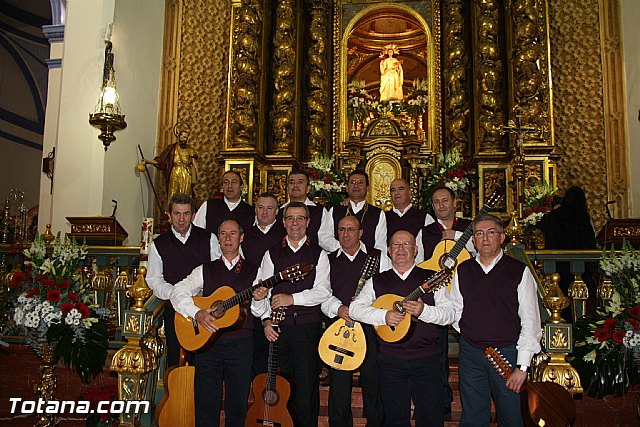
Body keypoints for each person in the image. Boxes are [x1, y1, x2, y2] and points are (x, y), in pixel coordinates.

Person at [350, 230, 455, 427]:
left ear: (415, 250)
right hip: (391, 362)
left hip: (427, 360)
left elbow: (450, 314)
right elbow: (355, 309)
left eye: (406, 244)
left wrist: (424, 311)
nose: (401, 249)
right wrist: (384, 316)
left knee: (431, 418)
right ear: (389, 251)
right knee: (394, 418)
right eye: (396, 245)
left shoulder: (432, 278)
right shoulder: (377, 281)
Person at [170, 219, 267, 427]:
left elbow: (260, 312)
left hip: (241, 344)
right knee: (205, 401)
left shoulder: (255, 271)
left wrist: (259, 299)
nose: (228, 238)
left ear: (241, 238)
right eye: (223, 234)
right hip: (207, 344)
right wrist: (196, 313)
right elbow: (178, 291)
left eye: (233, 233)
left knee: (238, 402)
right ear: (218, 238)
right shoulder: (205, 269)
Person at [449, 214, 542, 427]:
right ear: (473, 240)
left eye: (491, 233)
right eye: (479, 234)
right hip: (471, 354)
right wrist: (473, 330)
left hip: (508, 354)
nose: (485, 239)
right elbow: (456, 312)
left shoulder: (519, 271)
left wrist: (523, 367)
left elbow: (530, 320)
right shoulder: (463, 270)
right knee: (472, 417)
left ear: (502, 237)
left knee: (511, 417)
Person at [251, 201, 332, 427]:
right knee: (282, 385)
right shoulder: (272, 254)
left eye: (300, 218)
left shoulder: (319, 254)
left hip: (307, 329)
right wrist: (265, 320)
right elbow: (262, 291)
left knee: (306, 386)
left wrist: (292, 299)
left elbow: (323, 291)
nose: (295, 223)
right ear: (283, 222)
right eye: (290, 218)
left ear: (307, 222)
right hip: (279, 330)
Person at [415, 185, 476, 415]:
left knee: (470, 347)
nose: (441, 205)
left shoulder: (469, 227)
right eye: (436, 202)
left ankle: (473, 396)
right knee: (437, 350)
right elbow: (419, 263)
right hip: (438, 295)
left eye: (445, 201)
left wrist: (456, 237)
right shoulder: (426, 232)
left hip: (467, 293)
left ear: (454, 202)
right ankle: (442, 397)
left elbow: (482, 248)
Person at [321, 216, 385, 427]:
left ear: (361, 233)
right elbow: (322, 294)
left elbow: (387, 291)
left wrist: (365, 309)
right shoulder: (328, 260)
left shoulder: (377, 258)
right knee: (339, 385)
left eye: (351, 230)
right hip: (339, 328)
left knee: (372, 381)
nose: (346, 234)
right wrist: (339, 308)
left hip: (369, 329)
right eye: (341, 230)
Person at [146, 193, 218, 368]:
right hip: (175, 310)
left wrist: (205, 291)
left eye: (186, 213)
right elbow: (154, 279)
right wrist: (177, 295)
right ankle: (177, 395)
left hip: (204, 306)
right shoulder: (159, 244)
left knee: (206, 361)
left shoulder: (209, 238)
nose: (181, 219)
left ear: (193, 215)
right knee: (176, 360)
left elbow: (217, 271)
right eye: (177, 214)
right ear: (169, 215)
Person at [241, 192, 286, 376]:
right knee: (253, 353)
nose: (265, 212)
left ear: (277, 212)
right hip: (250, 302)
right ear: (255, 210)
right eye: (260, 207)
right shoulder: (244, 235)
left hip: (277, 303)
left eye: (269, 208)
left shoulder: (285, 235)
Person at [541, 186, 597, 297]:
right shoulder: (582, 216)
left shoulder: (554, 215)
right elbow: (589, 240)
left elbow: (542, 226)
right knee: (578, 296)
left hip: (556, 263)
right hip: (579, 264)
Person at [319, 170, 387, 254]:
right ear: (347, 188)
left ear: (368, 188)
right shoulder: (335, 210)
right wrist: (343, 248)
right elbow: (324, 236)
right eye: (352, 182)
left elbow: (381, 244)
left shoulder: (377, 213)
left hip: (367, 261)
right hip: (339, 260)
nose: (356, 186)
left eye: (360, 183)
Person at [193, 170, 254, 253]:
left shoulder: (251, 212)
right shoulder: (208, 206)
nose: (229, 186)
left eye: (234, 182)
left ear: (241, 187)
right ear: (221, 187)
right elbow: (196, 234)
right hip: (211, 260)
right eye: (226, 182)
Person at [137, 122, 198, 199]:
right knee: (173, 194)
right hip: (175, 172)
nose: (185, 139)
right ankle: (171, 210)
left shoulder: (190, 149)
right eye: (183, 137)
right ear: (178, 137)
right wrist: (147, 161)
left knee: (185, 195)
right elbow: (161, 160)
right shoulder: (172, 148)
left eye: (186, 137)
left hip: (186, 174)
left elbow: (194, 164)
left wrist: (196, 174)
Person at [276, 169, 329, 247]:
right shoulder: (277, 211)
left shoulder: (319, 211)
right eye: (291, 182)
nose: (295, 185)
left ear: (308, 188)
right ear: (287, 188)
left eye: (300, 182)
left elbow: (325, 240)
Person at [385, 178, 434, 242]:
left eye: (401, 189)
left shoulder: (425, 218)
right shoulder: (383, 217)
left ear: (409, 192)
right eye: (393, 190)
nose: (396, 193)